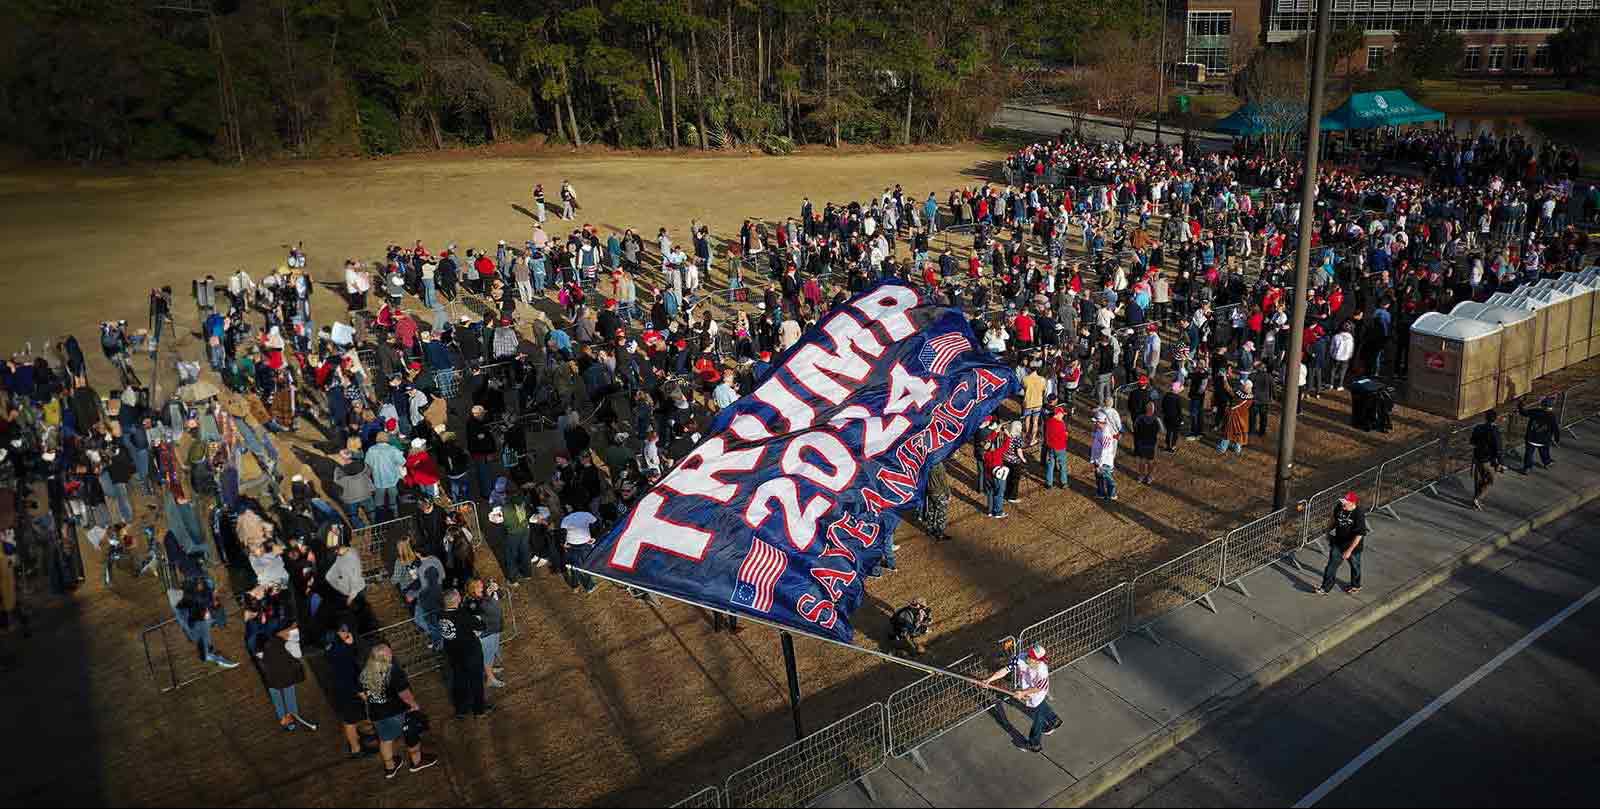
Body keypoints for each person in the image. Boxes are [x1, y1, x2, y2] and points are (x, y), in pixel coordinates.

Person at [358, 643, 438, 778]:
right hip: (396, 713)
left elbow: (362, 694)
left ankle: (390, 768)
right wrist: (414, 706)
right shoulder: (393, 671)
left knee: (385, 740)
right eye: (389, 653)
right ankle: (417, 761)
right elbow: (405, 694)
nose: (392, 654)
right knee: (410, 734)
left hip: (376, 713)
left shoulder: (365, 672)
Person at [984, 643, 1059, 753]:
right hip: (1028, 691)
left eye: (1040, 660)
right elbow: (1005, 670)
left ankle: (1034, 744)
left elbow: (1039, 688)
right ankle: (1054, 720)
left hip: (1037, 694)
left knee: (1037, 719)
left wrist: (1023, 693)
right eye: (1036, 660)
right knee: (1041, 708)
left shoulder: (1042, 669)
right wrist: (990, 679)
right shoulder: (1020, 658)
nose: (1039, 662)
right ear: (1029, 657)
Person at [439, 588, 493, 719]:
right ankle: (479, 709)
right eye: (458, 595)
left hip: (453, 654)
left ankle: (461, 709)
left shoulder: (440, 615)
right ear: (456, 600)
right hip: (470, 653)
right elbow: (480, 625)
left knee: (459, 680)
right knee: (476, 680)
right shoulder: (461, 615)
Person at [326, 621, 376, 758]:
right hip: (348, 691)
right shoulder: (342, 651)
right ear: (339, 634)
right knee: (350, 721)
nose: (347, 634)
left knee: (349, 720)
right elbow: (349, 673)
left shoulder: (333, 648)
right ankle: (356, 749)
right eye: (345, 632)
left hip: (340, 689)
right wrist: (360, 692)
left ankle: (356, 745)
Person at [259, 622, 317, 732]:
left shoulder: (279, 641)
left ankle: (288, 717)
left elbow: (295, 653)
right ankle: (288, 716)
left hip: (279, 674)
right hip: (280, 674)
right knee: (284, 693)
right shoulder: (277, 641)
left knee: (282, 694)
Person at [1317, 491, 1368, 595]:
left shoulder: (1358, 514)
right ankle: (1325, 588)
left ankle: (1355, 585)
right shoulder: (1339, 507)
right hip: (1338, 543)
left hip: (1353, 546)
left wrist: (1349, 551)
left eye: (1345, 503)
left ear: (1352, 503)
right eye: (1342, 502)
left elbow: (1359, 535)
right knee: (1331, 566)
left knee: (1355, 566)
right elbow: (1334, 519)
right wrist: (1327, 531)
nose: (1342, 505)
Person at [467, 578, 507, 689]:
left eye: (482, 585)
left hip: (494, 629)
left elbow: (500, 596)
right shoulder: (472, 602)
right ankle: (490, 679)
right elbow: (481, 611)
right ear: (473, 589)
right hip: (486, 633)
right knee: (487, 656)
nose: (483, 587)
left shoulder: (484, 596)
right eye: (480, 586)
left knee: (492, 651)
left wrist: (496, 590)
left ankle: (489, 668)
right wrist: (488, 597)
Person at [1470, 409, 1505, 511]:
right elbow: (1498, 449)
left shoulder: (1478, 427)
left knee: (1479, 480)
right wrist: (1501, 463)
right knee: (1490, 480)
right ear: (1496, 419)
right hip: (1488, 460)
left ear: (1485, 418)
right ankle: (1478, 498)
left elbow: (1472, 441)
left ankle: (1475, 502)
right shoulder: (1495, 432)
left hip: (1477, 458)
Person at [1518, 395, 1561, 473]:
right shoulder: (1552, 416)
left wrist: (1520, 403)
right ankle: (1547, 462)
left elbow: (1523, 412)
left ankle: (1527, 468)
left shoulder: (1536, 411)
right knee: (1545, 452)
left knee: (1529, 454)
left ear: (1542, 405)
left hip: (1531, 438)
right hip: (1543, 440)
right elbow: (1555, 429)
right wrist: (1557, 439)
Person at [1090, 412, 1118, 501]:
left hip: (1104, 461)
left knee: (1107, 477)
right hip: (1098, 459)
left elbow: (1105, 451)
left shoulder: (1105, 434)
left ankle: (1112, 494)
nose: (1095, 424)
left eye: (1096, 422)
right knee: (1099, 477)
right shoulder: (1099, 430)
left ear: (1101, 422)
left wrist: (1100, 464)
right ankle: (1101, 493)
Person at [1132, 401, 1160, 484]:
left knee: (1142, 460)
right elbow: (1162, 430)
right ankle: (1149, 476)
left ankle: (1141, 476)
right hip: (1151, 443)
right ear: (1153, 410)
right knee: (1150, 461)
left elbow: (1135, 428)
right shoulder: (1156, 419)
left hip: (1141, 442)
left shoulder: (1139, 418)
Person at [1041, 406, 1069, 489]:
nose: (1063, 416)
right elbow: (1064, 437)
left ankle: (1049, 483)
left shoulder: (1048, 422)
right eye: (1062, 414)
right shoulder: (1061, 424)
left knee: (1050, 465)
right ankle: (1063, 482)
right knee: (1062, 465)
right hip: (1060, 447)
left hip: (1050, 446)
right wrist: (1066, 435)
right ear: (1058, 414)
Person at [923, 461, 951, 541]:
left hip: (929, 491)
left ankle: (930, 529)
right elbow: (943, 482)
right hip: (939, 492)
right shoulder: (939, 466)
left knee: (931, 511)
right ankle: (940, 533)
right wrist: (948, 493)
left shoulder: (925, 464)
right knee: (941, 513)